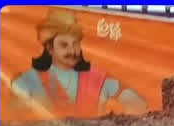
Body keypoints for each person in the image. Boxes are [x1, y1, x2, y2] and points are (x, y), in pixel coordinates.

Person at [10, 8, 146, 119]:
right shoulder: (27, 81)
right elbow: (13, 122)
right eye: (64, 45)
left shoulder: (99, 79)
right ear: (50, 48)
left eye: (76, 44)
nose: (73, 51)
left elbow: (139, 105)